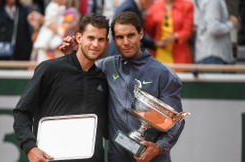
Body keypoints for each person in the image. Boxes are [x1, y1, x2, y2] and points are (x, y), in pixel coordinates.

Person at [60, 11, 185, 162]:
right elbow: (85, 74)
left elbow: (176, 121)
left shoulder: (164, 74)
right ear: (113, 40)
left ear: (141, 34)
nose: (125, 42)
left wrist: (158, 147)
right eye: (120, 37)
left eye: (130, 35)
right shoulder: (107, 65)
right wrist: (75, 53)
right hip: (116, 157)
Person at [13, 13, 109, 162]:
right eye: (91, 38)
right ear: (79, 38)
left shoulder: (102, 79)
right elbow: (21, 112)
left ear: (106, 42)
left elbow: (107, 129)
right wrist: (30, 147)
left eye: (100, 39)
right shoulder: (50, 69)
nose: (95, 44)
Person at [194, 0, 238, 64]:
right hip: (213, 56)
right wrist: (231, 24)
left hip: (210, 55)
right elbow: (213, 28)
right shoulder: (213, 1)